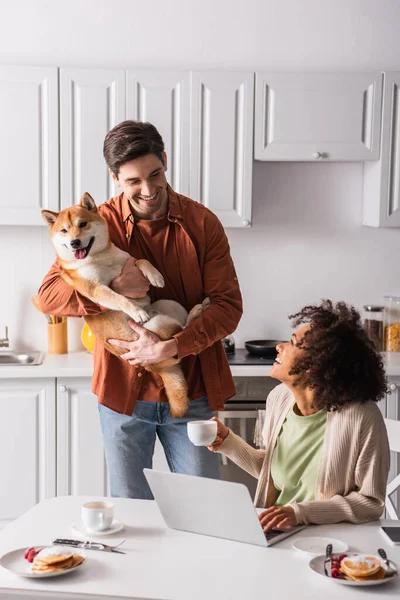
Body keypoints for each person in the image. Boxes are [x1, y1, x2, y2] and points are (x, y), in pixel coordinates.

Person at [37, 120, 243, 499]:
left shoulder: (203, 223)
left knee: (205, 512)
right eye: (133, 181)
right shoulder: (96, 222)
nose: (148, 190)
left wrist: (172, 347)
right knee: (132, 522)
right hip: (123, 394)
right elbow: (48, 296)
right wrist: (113, 288)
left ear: (165, 162)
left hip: (192, 389)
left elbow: (229, 307)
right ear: (115, 178)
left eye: (155, 174)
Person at [208, 300, 390, 531]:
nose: (279, 346)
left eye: (292, 343)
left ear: (315, 365)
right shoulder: (279, 399)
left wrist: (299, 513)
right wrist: (229, 443)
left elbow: (371, 503)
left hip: (331, 536)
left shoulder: (361, 416)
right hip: (277, 531)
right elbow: (278, 473)